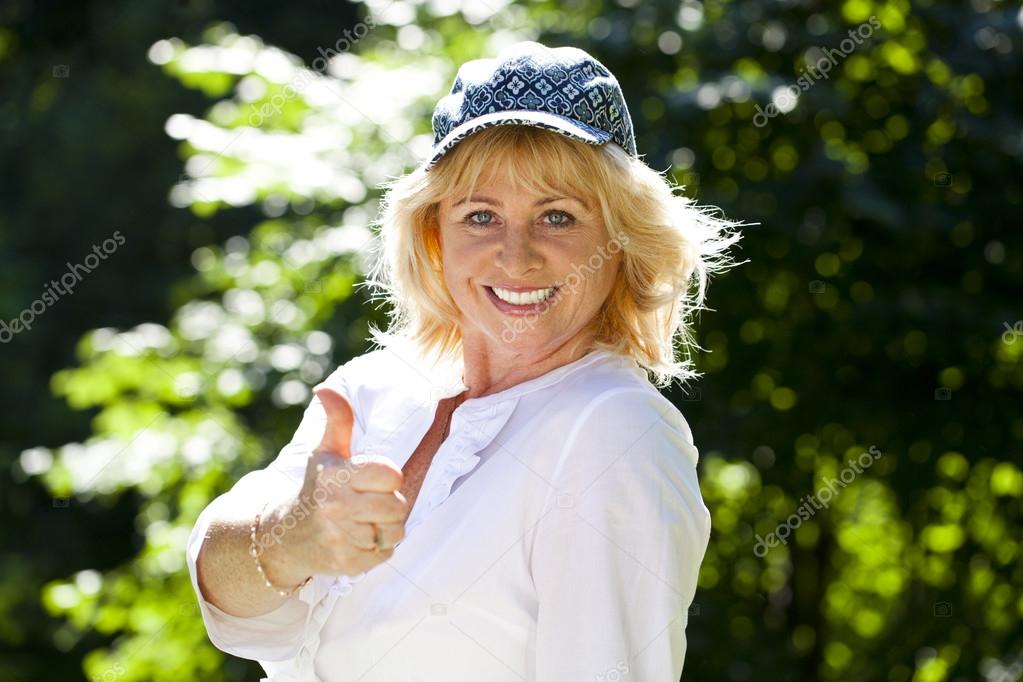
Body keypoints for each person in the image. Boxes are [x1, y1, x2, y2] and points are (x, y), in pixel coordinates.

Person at [186, 40, 743, 681]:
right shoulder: (372, 388)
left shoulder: (615, 432)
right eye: (480, 215)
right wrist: (291, 537)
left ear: (620, 240)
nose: (516, 256)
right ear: (433, 234)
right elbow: (229, 605)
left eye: (557, 216)